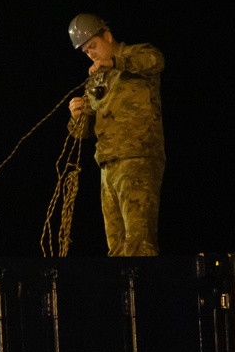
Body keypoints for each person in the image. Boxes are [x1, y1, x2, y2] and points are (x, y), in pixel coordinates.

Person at [67, 13, 165, 256]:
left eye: (93, 46)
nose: (92, 54)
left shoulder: (136, 55)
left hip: (137, 157)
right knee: (117, 247)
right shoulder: (97, 78)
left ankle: (145, 292)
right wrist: (77, 115)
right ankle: (125, 291)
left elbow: (155, 60)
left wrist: (116, 62)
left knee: (139, 244)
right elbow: (83, 132)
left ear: (107, 37)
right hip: (108, 165)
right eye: (86, 52)